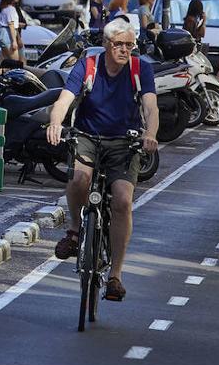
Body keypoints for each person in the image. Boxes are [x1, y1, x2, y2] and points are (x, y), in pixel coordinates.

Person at [44, 18, 159, 302]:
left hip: (124, 141)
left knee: (122, 200)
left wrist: (151, 134)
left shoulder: (140, 67)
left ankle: (116, 276)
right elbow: (64, 100)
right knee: (80, 178)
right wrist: (55, 123)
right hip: (88, 135)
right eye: (119, 44)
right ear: (106, 44)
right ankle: (74, 231)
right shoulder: (88, 65)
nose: (124, 50)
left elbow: (151, 106)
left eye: (129, 45)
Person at [0, 0, 22, 64]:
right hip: (7, 36)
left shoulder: (4, 8)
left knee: (3, 61)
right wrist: (14, 41)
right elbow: (11, 25)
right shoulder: (11, 9)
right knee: (14, 62)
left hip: (2, 35)